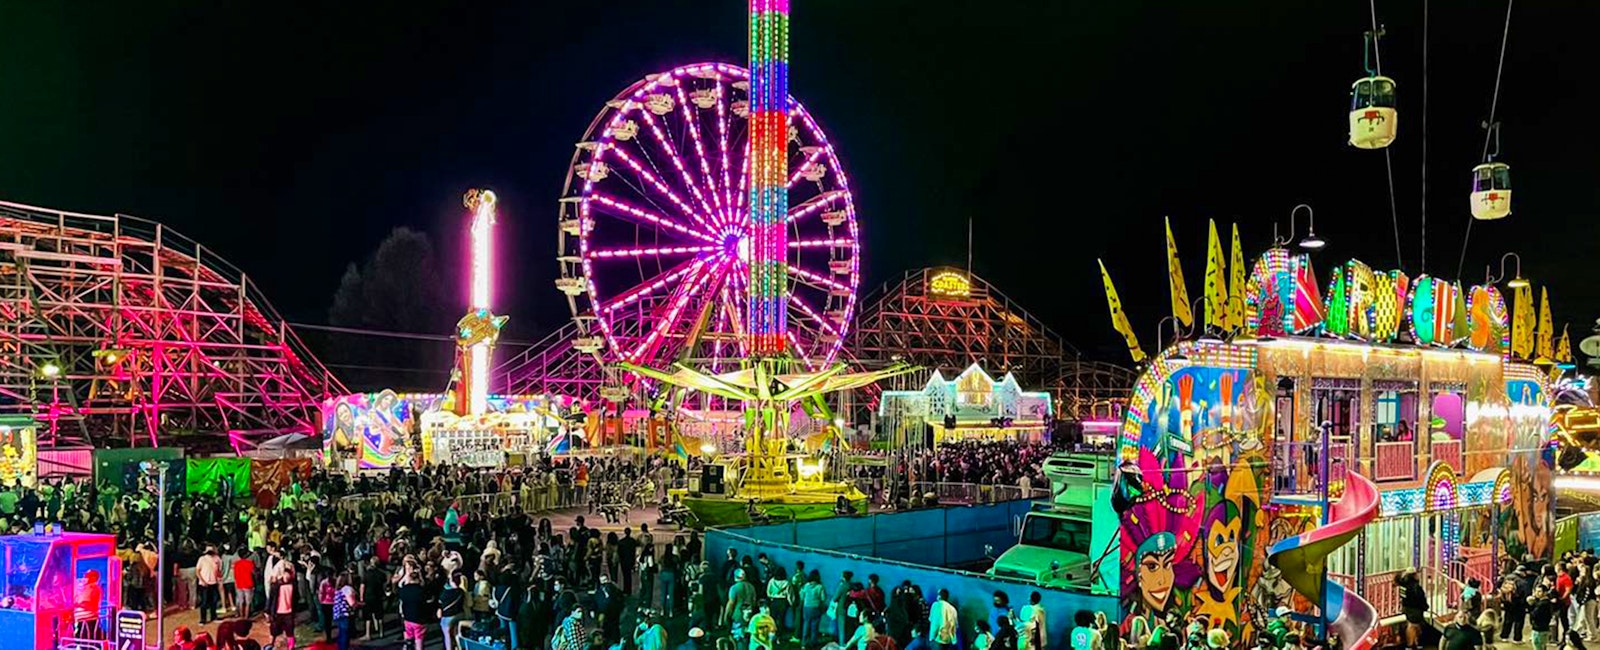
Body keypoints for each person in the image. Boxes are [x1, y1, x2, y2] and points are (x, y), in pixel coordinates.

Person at [397, 568, 430, 650]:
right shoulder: (422, 590)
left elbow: (400, 588)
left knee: (409, 640)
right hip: (419, 619)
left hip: (407, 618)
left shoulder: (404, 590)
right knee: (419, 640)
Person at [269, 563, 297, 650]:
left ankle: (291, 647)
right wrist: (268, 611)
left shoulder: (293, 585)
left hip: (289, 612)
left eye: (288, 575)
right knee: (274, 631)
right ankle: (270, 645)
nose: (287, 577)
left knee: (290, 631)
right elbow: (271, 599)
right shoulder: (276, 586)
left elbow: (295, 599)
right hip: (277, 612)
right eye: (285, 575)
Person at [1399, 569, 1428, 649]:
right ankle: (1411, 644)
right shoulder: (1415, 587)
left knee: (1413, 626)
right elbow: (1419, 598)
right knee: (1413, 626)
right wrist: (1424, 606)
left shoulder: (1403, 585)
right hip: (1415, 609)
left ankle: (1414, 643)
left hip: (1407, 607)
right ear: (1414, 575)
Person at [438, 572, 466, 650]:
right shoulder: (461, 591)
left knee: (447, 635)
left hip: (448, 616)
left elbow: (440, 604)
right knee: (457, 633)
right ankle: (459, 647)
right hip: (459, 614)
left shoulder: (445, 593)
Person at [197, 545, 223, 625]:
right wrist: (202, 581)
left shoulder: (217, 559)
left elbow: (219, 571)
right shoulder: (202, 559)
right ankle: (203, 619)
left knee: (214, 601)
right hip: (204, 584)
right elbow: (197, 571)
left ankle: (213, 616)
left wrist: (219, 580)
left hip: (214, 583)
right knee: (204, 602)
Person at [333, 572, 357, 650]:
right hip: (345, 614)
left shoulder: (338, 590)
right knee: (345, 634)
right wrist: (359, 604)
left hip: (337, 613)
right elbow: (351, 603)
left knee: (341, 633)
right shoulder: (347, 589)